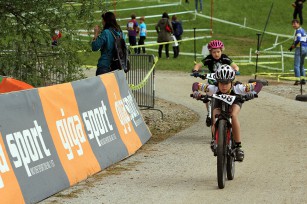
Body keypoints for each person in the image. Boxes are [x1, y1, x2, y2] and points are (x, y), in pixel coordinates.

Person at [191, 64, 263, 161]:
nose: (224, 86)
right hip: (219, 102)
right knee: (215, 115)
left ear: (231, 82)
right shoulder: (213, 88)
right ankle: (214, 140)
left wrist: (253, 93)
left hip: (235, 101)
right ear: (217, 82)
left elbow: (258, 84)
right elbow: (196, 84)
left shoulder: (238, 88)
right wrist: (196, 92)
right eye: (221, 83)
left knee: (233, 115)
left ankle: (238, 147)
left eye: (226, 83)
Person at [192, 40, 239, 126]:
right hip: (212, 81)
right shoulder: (209, 58)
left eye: (218, 51)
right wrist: (195, 70)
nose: (216, 54)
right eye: (214, 52)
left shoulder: (224, 58)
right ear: (210, 52)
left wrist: (235, 70)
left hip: (223, 80)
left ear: (221, 51)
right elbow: (198, 65)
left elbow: (235, 66)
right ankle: (209, 113)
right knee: (207, 96)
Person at [92, 11, 123, 75]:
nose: (102, 22)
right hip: (118, 65)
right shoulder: (121, 33)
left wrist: (96, 34)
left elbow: (95, 47)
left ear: (106, 21)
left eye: (103, 20)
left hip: (105, 66)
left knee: (101, 85)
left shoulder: (106, 32)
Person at [288, 19, 307, 85]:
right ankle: (303, 79)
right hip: (305, 48)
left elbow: (298, 39)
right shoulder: (303, 30)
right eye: (293, 24)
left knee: (296, 65)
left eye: (295, 23)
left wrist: (294, 45)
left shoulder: (298, 31)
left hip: (299, 48)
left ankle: (297, 80)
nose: (293, 25)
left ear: (298, 24)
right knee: (301, 65)